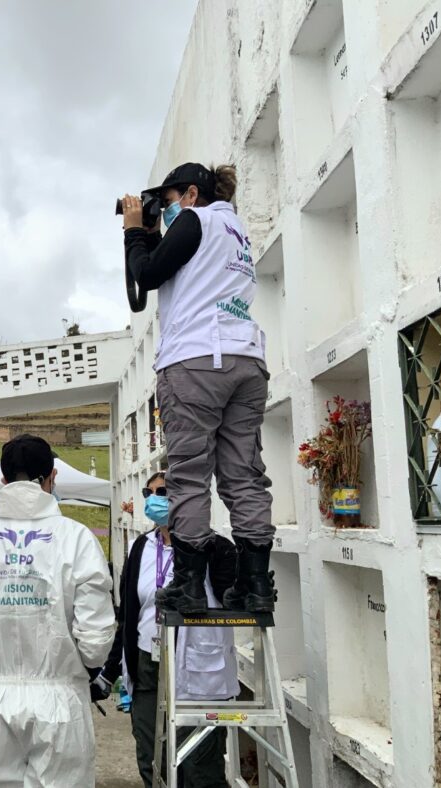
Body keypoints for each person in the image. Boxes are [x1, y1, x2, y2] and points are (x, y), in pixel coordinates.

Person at [121, 162, 275, 614]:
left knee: (187, 473)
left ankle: (188, 586)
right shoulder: (236, 229)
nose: (165, 212)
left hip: (195, 360)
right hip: (246, 359)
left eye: (166, 202)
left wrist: (134, 232)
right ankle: (255, 586)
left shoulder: (196, 219)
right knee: (244, 474)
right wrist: (153, 231)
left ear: (190, 194)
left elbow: (146, 275)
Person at [0, 434, 116, 787]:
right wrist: (80, 667)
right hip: (59, 700)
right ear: (53, 477)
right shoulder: (76, 537)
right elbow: (96, 639)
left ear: (2, 481)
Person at [92, 472, 238, 786]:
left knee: (200, 768)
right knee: (152, 760)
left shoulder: (217, 549)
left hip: (197, 672)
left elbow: (233, 602)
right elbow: (130, 616)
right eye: (149, 492)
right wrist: (110, 670)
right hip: (148, 667)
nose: (153, 498)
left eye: (163, 491)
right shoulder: (140, 548)